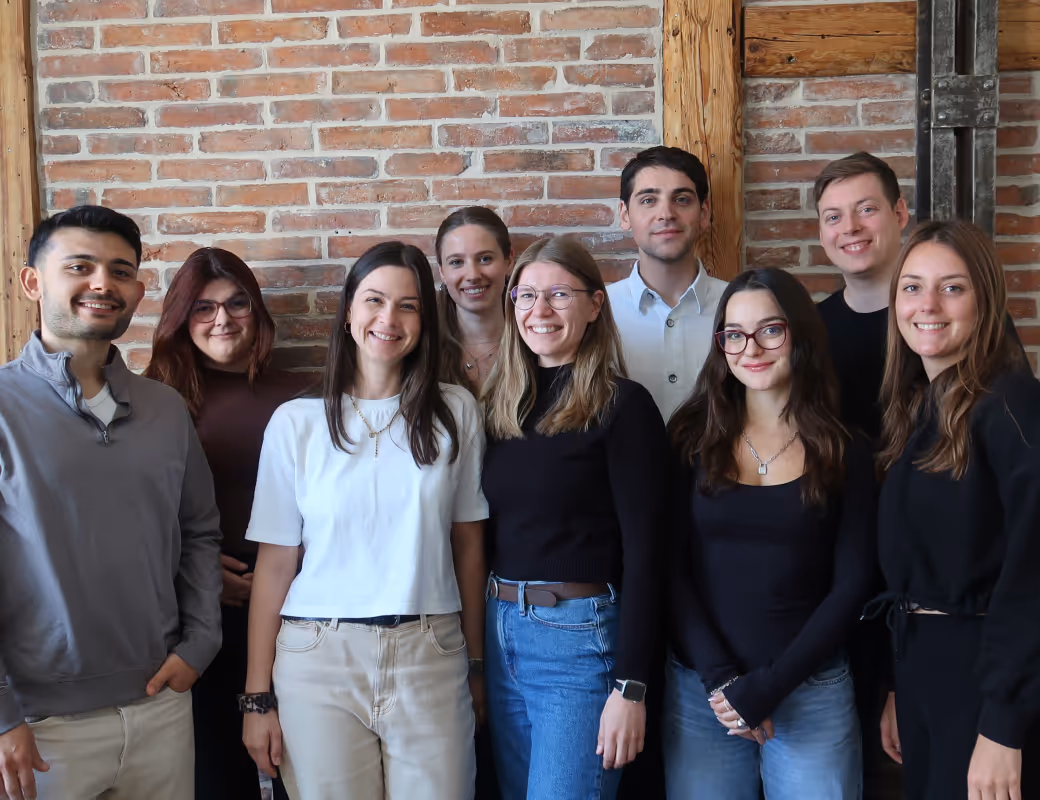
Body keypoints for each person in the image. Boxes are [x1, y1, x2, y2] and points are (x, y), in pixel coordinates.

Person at [240, 241, 488, 800]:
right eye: (374, 300)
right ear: (348, 311)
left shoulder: (455, 412)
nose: (388, 319)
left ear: (426, 319)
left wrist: (475, 664)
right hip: (316, 658)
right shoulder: (295, 423)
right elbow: (276, 564)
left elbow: (469, 548)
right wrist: (258, 697)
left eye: (408, 305)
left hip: (431, 647)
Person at [0, 206, 222, 800]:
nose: (102, 282)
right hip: (38, 728)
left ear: (137, 290)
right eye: (80, 266)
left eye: (120, 270)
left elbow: (199, 532)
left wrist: (201, 642)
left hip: (161, 707)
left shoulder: (165, 409)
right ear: (32, 282)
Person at [664, 267, 877, 799]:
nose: (750, 348)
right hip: (703, 694)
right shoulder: (690, 438)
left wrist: (771, 686)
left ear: (799, 335)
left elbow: (854, 584)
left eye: (770, 330)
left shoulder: (846, 449)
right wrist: (724, 683)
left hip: (812, 691)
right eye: (733, 334)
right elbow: (668, 565)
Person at [481, 237, 667, 800]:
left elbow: (649, 553)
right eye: (527, 295)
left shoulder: (623, 407)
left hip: (578, 640)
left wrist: (631, 684)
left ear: (594, 305)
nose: (540, 311)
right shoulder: (499, 406)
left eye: (559, 294)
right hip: (500, 629)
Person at [874, 220, 1040, 800]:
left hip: (986, 681)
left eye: (953, 287)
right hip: (925, 670)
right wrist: (899, 684)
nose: (929, 305)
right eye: (913, 287)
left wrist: (1003, 726)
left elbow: (1032, 574)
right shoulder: (922, 405)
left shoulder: (1010, 403)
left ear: (985, 301)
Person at [145, 247, 314, 800]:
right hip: (194, 616)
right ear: (179, 317)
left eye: (237, 303)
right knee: (214, 773)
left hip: (293, 610)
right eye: (203, 307)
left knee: (297, 769)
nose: (222, 319)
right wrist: (192, 570)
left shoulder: (304, 397)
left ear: (258, 312)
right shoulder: (151, 399)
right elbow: (128, 510)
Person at [813, 151, 910, 800]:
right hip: (838, 591)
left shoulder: (944, 320)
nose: (850, 227)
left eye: (866, 209)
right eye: (832, 217)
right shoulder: (809, 334)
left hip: (925, 587)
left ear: (901, 214)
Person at [608, 145, 727, 421]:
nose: (666, 214)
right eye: (649, 200)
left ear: (704, 212)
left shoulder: (737, 306)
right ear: (625, 214)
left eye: (682, 199)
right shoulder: (596, 311)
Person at [436, 207, 513, 396]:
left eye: (485, 258)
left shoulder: (534, 342)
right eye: (456, 262)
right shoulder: (425, 349)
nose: (472, 275)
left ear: (508, 260)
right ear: (441, 272)